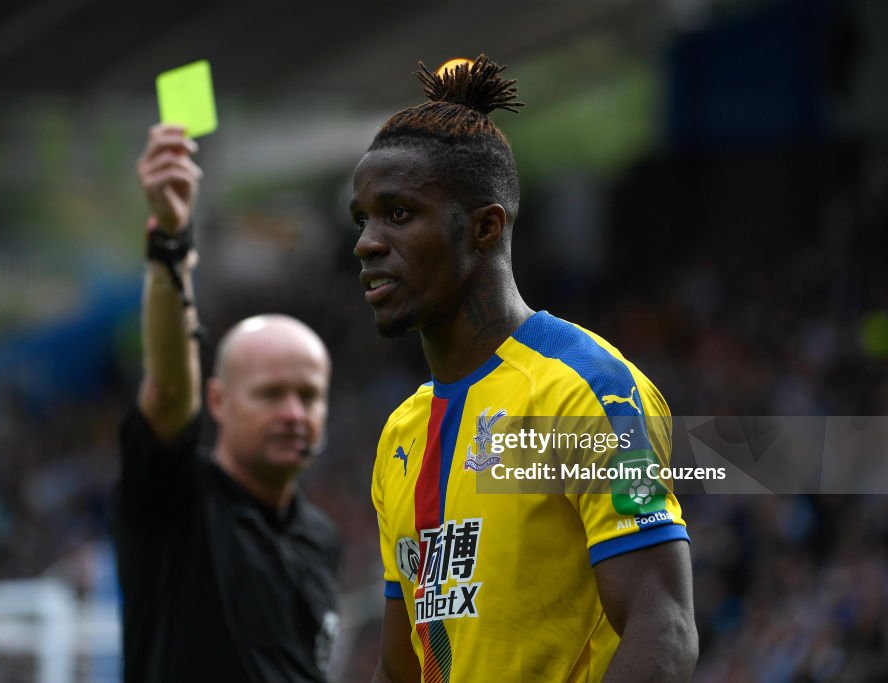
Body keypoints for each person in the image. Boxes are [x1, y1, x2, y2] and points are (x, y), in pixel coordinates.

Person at [352, 56, 697, 682]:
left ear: (486, 228)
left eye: (398, 214)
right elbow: (401, 669)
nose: (367, 241)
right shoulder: (402, 434)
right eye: (364, 218)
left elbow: (662, 629)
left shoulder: (587, 392)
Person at [111, 124, 341, 683]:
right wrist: (171, 241)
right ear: (217, 399)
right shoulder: (174, 501)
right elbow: (167, 391)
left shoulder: (320, 537)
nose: (294, 413)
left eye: (308, 396)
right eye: (270, 393)